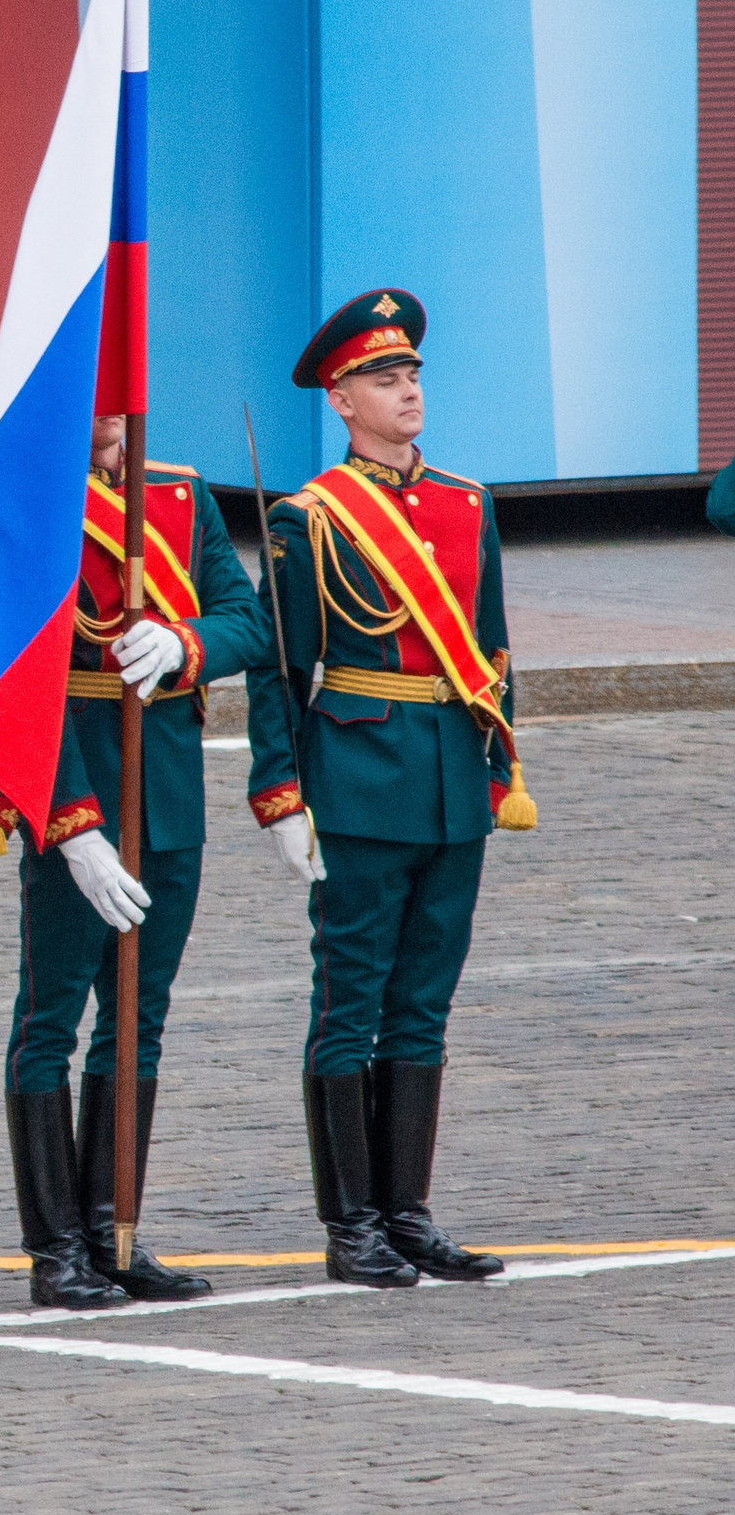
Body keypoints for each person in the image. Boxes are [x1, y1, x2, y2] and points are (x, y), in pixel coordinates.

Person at [247, 289, 529, 1289]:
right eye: (382, 377)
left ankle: (406, 1211)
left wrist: (499, 762)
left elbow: (489, 644)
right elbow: (280, 672)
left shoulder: (464, 501)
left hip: (453, 778)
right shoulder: (307, 519)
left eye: (409, 373)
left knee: (422, 1005)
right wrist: (279, 790)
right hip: (360, 778)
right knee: (351, 999)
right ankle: (350, 1219)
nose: (404, 389)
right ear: (340, 399)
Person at [0, 415, 269, 1309]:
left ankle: (115, 1227)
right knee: (51, 1019)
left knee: (137, 1017)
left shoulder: (179, 495)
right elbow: (13, 670)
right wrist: (69, 821)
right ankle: (56, 1246)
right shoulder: (28, 498)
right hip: (73, 783)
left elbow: (246, 620)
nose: (109, 416)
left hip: (168, 792)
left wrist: (185, 644)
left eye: (123, 395)